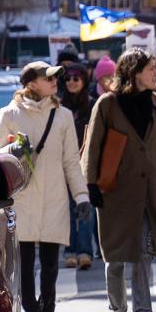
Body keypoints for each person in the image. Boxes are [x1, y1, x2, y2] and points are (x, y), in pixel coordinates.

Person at [0, 61, 92, 312]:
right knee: (24, 264)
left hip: (55, 197)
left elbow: (72, 161)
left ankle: (47, 311)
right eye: (48, 78)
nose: (55, 81)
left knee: (50, 263)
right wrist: (14, 148)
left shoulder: (63, 116)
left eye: (55, 77)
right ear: (31, 83)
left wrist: (81, 197)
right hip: (21, 198)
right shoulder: (9, 113)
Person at [82, 49, 156, 312]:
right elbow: (93, 146)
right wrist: (91, 185)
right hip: (114, 190)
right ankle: (117, 309)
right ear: (134, 72)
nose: (154, 73)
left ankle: (142, 311)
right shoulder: (108, 104)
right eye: (149, 69)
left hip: (149, 190)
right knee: (115, 256)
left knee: (143, 252)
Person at [58, 62, 98, 270]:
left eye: (76, 78)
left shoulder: (92, 104)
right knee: (66, 209)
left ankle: (85, 251)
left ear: (84, 80)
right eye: (68, 79)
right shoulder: (58, 106)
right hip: (63, 164)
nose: (72, 82)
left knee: (84, 208)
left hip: (85, 164)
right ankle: (70, 251)